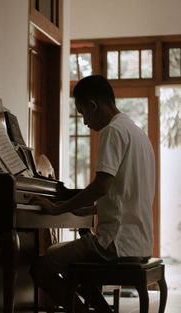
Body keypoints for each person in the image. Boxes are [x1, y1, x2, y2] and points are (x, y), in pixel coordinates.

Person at [30, 75, 155, 313]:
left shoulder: (113, 131)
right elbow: (126, 197)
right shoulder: (137, 133)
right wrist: (86, 209)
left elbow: (101, 186)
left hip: (115, 244)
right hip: (139, 242)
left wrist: (58, 208)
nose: (85, 122)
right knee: (76, 267)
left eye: (82, 113)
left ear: (93, 105)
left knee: (42, 265)